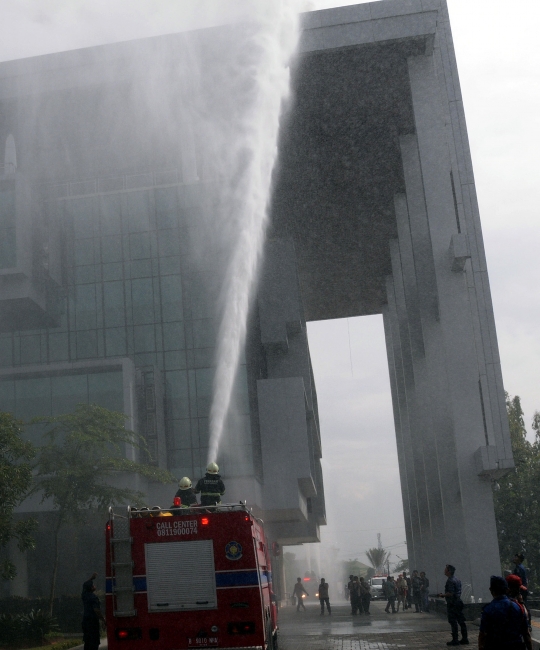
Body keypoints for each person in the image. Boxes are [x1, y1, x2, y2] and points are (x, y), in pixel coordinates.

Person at [478, 575, 531, 650]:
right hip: (516, 646)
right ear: (507, 589)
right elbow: (526, 633)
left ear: (491, 590)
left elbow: (482, 634)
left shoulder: (488, 610)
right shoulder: (518, 607)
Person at [437, 564, 468, 646]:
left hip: (452, 603)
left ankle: (455, 640)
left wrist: (442, 595)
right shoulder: (457, 579)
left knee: (453, 621)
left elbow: (450, 593)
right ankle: (465, 638)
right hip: (458, 602)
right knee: (461, 621)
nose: (444, 571)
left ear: (449, 571)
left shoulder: (450, 581)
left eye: (445, 569)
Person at [82, 580, 105, 650]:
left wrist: (92, 578)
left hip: (85, 622)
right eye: (93, 585)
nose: (95, 586)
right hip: (93, 622)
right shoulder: (93, 597)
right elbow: (96, 610)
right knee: (94, 642)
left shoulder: (84, 595)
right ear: (91, 588)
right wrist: (103, 619)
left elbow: (84, 585)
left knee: (87, 642)